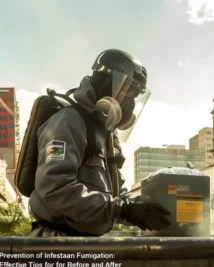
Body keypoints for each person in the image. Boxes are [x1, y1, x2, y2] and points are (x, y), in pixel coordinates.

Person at [27, 49, 171, 237]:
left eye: (135, 95)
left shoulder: (106, 134)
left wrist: (142, 208)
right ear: (106, 80)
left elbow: (118, 193)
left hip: (85, 241)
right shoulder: (68, 122)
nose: (130, 102)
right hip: (57, 240)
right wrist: (122, 210)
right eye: (128, 89)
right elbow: (55, 187)